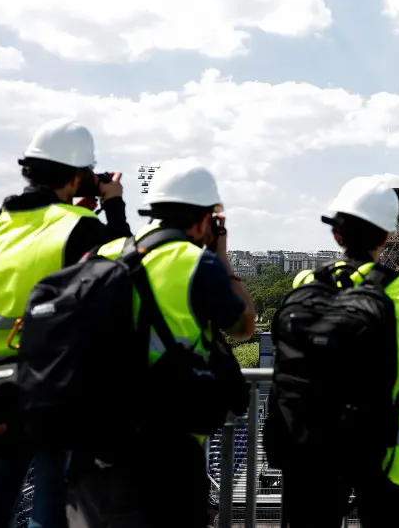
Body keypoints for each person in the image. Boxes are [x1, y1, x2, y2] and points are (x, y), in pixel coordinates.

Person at [66, 159, 256, 528]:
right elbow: (245, 326)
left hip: (99, 437)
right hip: (169, 441)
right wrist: (221, 253)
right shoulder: (196, 263)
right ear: (205, 219)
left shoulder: (103, 255)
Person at [0, 118, 132, 528]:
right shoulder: (79, 228)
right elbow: (126, 267)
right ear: (78, 176)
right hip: (55, 381)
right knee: (52, 508)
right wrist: (113, 206)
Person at [279, 176, 399, 528]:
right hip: (386, 443)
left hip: (311, 441)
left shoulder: (304, 283)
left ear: (336, 235)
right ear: (387, 237)